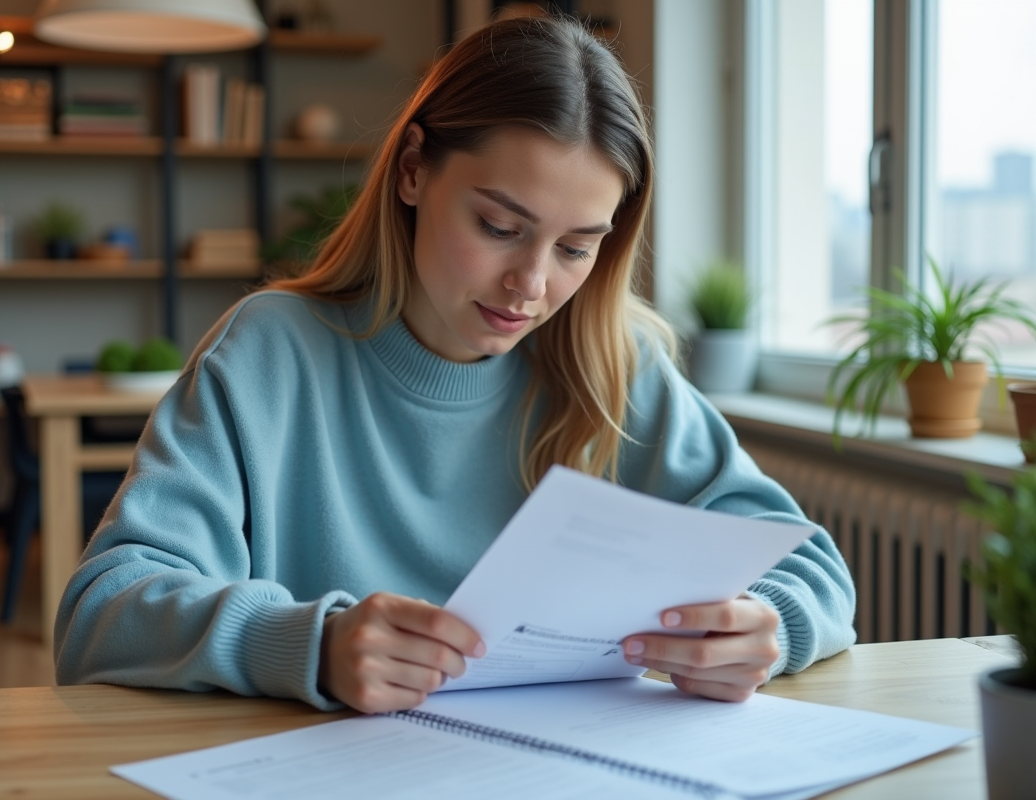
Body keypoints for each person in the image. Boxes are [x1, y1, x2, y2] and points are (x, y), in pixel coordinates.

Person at [54, 16, 856, 714]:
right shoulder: (269, 353)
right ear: (412, 169)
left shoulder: (616, 361)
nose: (533, 286)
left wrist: (768, 626)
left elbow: (811, 565)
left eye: (577, 247)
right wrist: (310, 642)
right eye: (500, 225)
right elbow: (99, 615)